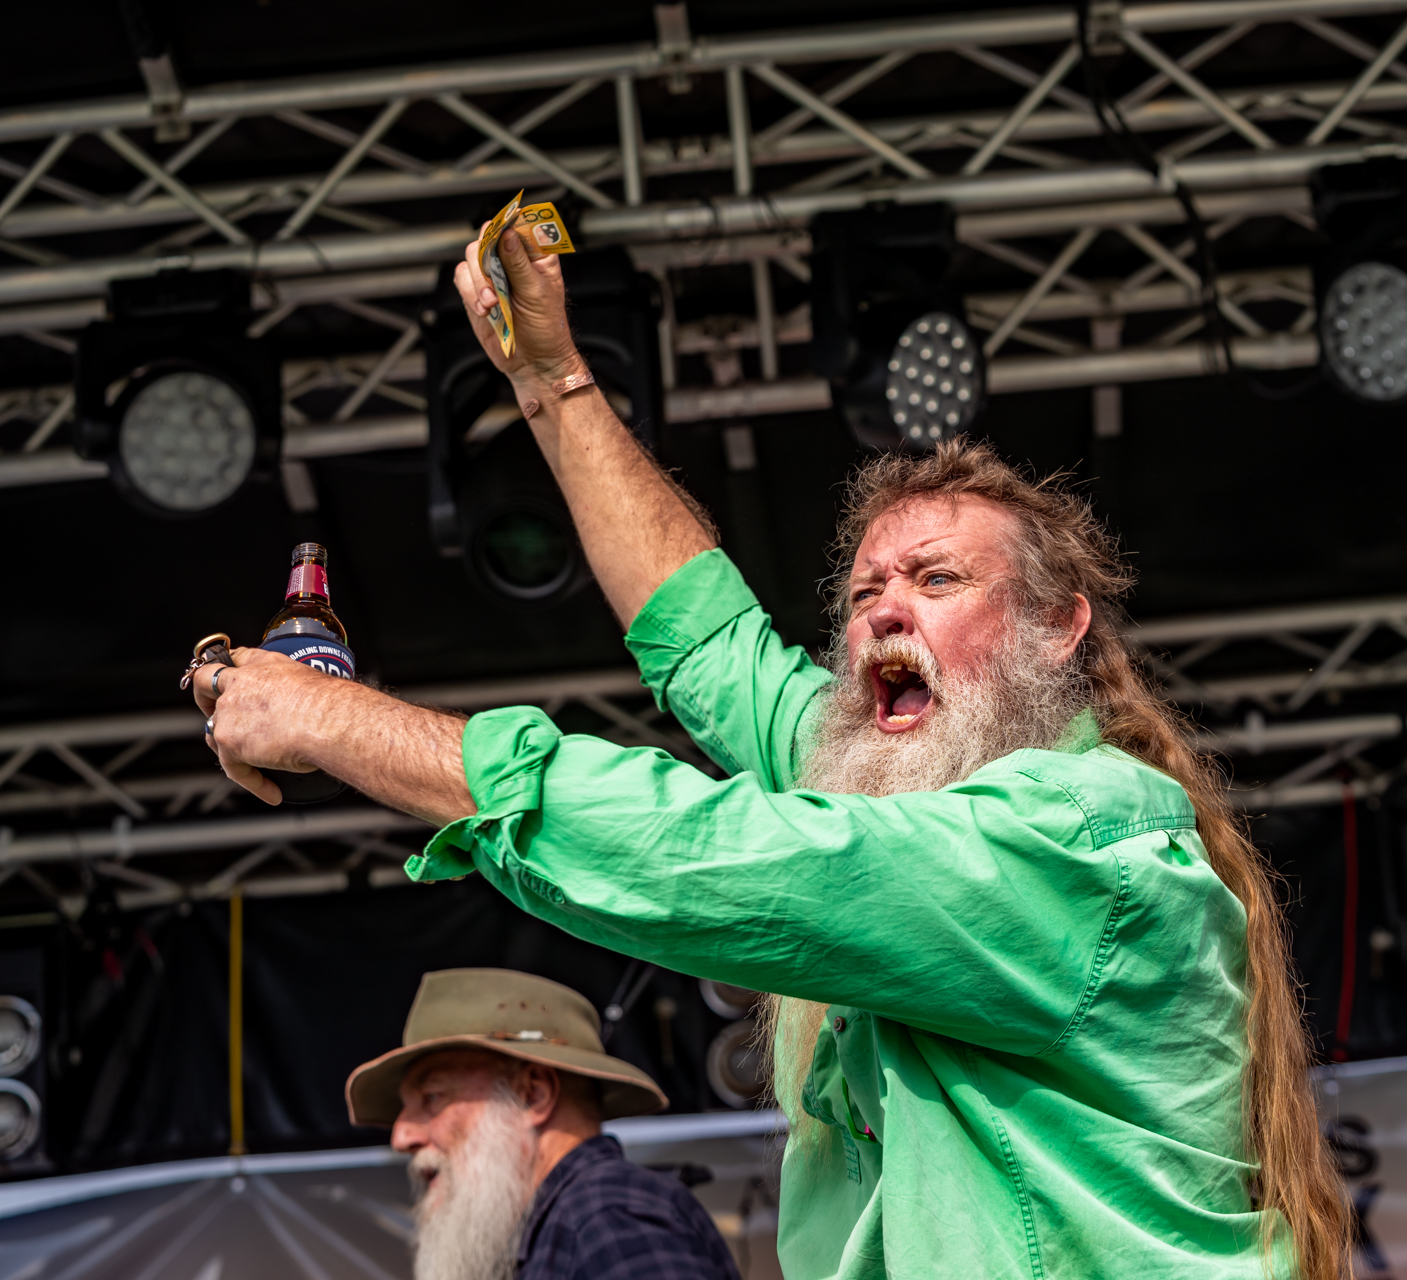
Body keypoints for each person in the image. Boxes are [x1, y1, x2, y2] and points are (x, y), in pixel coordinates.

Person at [189, 223, 1347, 1278]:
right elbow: (707, 643)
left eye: (937, 578)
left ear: (1059, 628)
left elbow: (721, 855)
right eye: (864, 590)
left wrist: (333, 720)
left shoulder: (1080, 840)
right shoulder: (897, 785)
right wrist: (552, 380)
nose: (883, 613)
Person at [348, 967, 740, 1280]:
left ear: (532, 1095)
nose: (402, 1136)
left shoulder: (607, 1214)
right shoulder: (566, 1224)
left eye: (433, 1098)